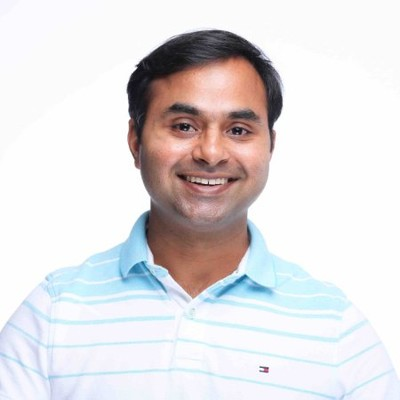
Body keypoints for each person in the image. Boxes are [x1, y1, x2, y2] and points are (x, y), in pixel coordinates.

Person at [0, 29, 398, 399]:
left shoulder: (335, 327)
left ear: (270, 146)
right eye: (184, 126)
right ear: (136, 141)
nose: (210, 153)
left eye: (238, 130)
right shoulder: (53, 313)